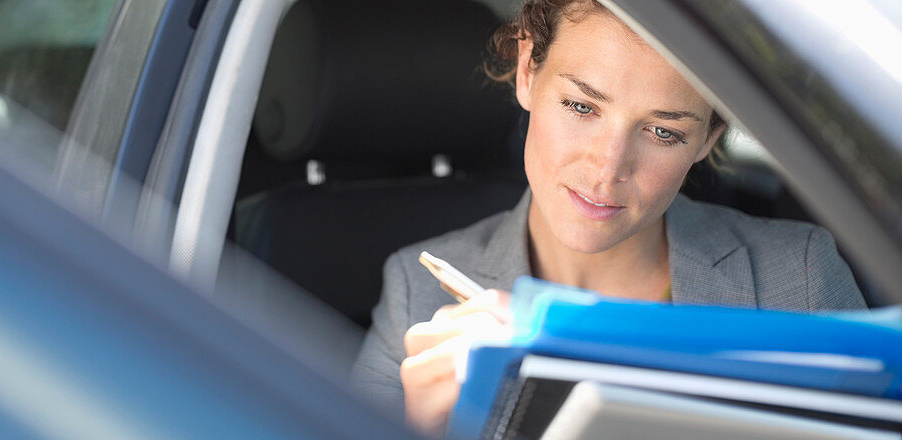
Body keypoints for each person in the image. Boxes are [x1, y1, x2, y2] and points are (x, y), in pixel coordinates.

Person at [349, 0, 868, 436]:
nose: (607, 169)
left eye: (663, 132)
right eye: (580, 106)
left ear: (708, 138)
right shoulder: (416, 294)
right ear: (528, 70)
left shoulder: (797, 282)